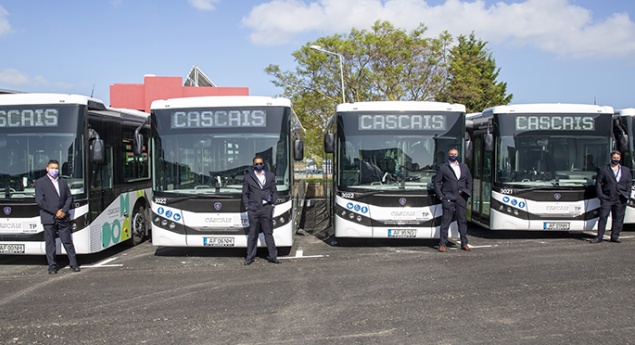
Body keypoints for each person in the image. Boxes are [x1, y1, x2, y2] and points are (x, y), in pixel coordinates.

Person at [34, 160, 80, 274]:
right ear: (47, 169)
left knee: (67, 242)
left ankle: (74, 264)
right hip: (49, 218)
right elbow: (40, 201)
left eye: (56, 168)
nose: (55, 170)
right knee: (50, 244)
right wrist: (55, 212)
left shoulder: (63, 182)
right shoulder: (40, 182)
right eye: (52, 168)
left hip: (63, 217)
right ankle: (52, 266)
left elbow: (69, 197)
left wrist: (63, 211)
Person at [434, 147, 473, 252]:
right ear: (448, 155)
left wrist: (467, 192)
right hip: (448, 198)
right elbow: (437, 182)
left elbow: (469, 180)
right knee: (445, 221)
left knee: (462, 221)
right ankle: (442, 243)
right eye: (451, 154)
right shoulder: (443, 168)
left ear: (458, 155)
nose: (453, 156)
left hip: (461, 198)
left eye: (455, 154)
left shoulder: (464, 167)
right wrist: (441, 196)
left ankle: (464, 243)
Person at [242, 156, 279, 265]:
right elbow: (245, 193)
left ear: (263, 164)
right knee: (253, 234)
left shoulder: (270, 176)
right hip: (253, 210)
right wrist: (247, 206)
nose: (258, 165)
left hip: (266, 209)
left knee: (268, 233)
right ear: (253, 165)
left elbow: (274, 191)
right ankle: (250, 257)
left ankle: (273, 256)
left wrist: (272, 203)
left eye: (260, 163)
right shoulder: (248, 177)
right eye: (256, 163)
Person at [591, 150, 632, 243]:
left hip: (621, 197)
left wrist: (628, 194)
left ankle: (615, 236)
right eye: (614, 158)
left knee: (618, 218)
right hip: (607, 197)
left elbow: (629, 183)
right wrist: (601, 195)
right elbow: (598, 183)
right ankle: (599, 237)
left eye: (617, 158)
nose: (616, 160)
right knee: (603, 217)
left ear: (620, 158)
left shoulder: (626, 170)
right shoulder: (604, 169)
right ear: (610, 158)